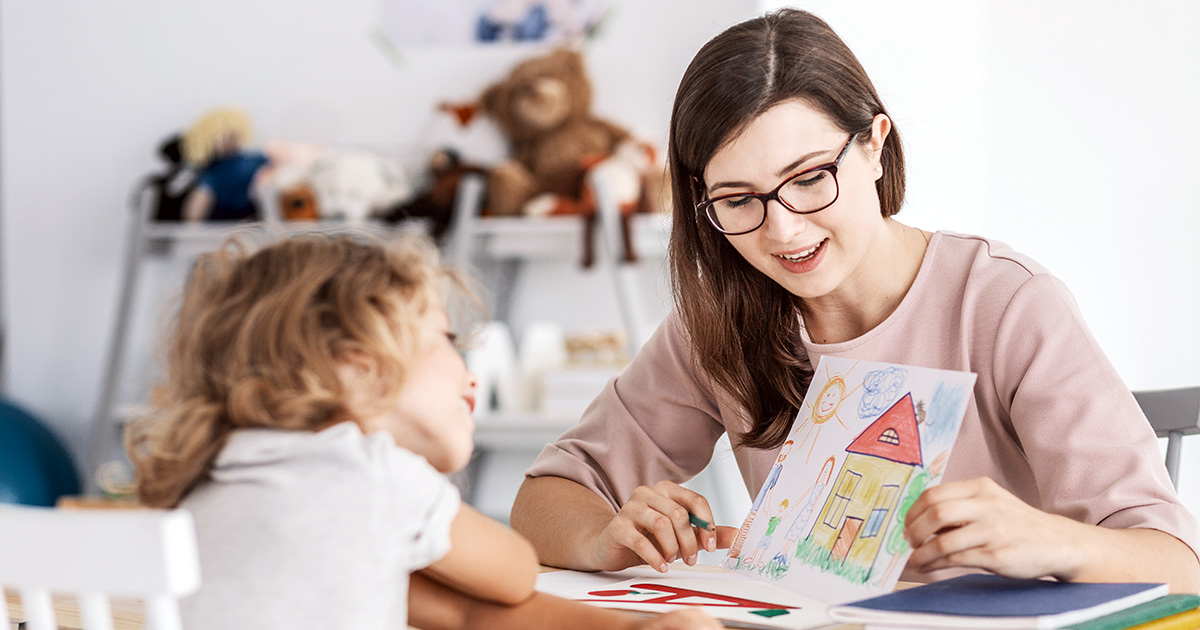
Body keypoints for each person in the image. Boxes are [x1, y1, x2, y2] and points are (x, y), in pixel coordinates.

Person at [510, 8, 1200, 593]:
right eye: (738, 200)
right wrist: (605, 536)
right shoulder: (721, 322)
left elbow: (1178, 563)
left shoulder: (1006, 304)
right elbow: (544, 498)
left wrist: (1052, 542)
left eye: (809, 178)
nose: (784, 230)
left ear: (874, 145)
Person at [125, 233, 722, 630]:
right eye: (446, 339)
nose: (468, 368)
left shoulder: (213, 480)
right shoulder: (373, 474)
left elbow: (460, 613)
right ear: (357, 367)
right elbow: (514, 573)